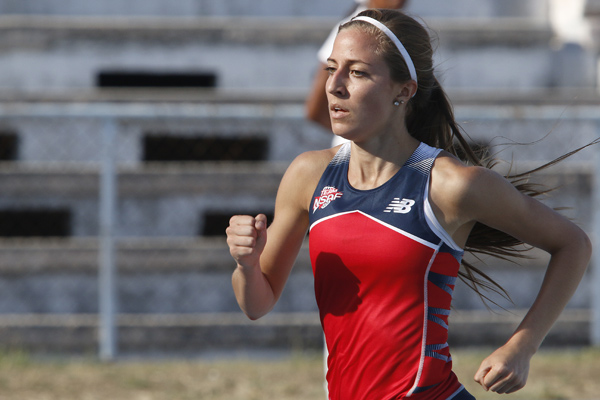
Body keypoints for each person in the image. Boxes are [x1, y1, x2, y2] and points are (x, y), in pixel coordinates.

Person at [227, 8, 592, 400]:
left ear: (404, 90)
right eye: (331, 68)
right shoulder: (307, 175)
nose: (334, 85)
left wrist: (522, 346)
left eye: (357, 72)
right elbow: (256, 303)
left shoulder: (450, 184)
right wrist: (247, 264)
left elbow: (573, 244)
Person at [305, 0, 408, 144]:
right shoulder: (351, 32)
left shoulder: (404, 31)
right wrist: (360, 138)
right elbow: (315, 109)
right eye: (357, 72)